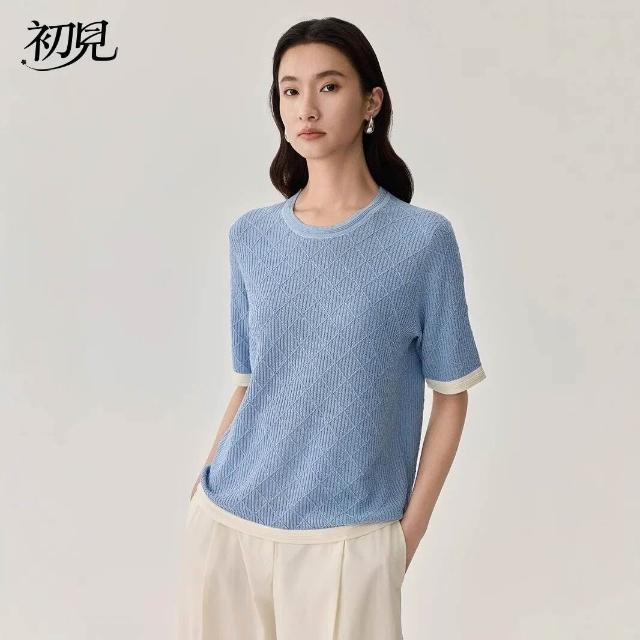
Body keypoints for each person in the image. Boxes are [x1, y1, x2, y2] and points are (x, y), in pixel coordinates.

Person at [177, 16, 487, 640]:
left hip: (352, 542)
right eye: (289, 91)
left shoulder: (421, 240)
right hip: (231, 525)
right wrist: (200, 492)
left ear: (372, 102)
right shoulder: (251, 237)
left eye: (328, 86)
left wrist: (404, 538)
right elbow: (250, 382)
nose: (306, 108)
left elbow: (452, 397)